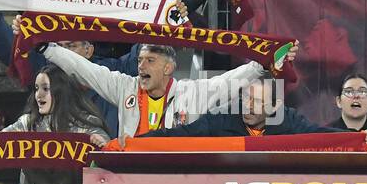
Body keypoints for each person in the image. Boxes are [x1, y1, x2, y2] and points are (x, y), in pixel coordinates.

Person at [42, 41, 274, 140]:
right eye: (140, 60)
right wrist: (47, 48)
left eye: (150, 61)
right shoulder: (125, 87)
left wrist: (265, 61)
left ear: (168, 68)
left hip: (174, 182)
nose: (141, 66)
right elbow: (85, 69)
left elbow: (230, 82)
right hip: (132, 178)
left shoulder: (191, 94)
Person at [0, 65, 107, 184]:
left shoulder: (84, 124)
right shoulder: (27, 124)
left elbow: (108, 148)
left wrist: (102, 143)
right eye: (36, 89)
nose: (38, 95)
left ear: (61, 92)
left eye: (45, 89)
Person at [140, 77, 335, 137]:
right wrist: (136, 142)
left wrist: (361, 137)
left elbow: (321, 136)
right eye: (246, 98)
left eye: (257, 101)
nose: (248, 107)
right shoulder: (222, 118)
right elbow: (180, 134)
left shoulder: (290, 121)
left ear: (275, 106)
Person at [326, 71, 367, 138]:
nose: (356, 96)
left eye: (362, 92)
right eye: (349, 92)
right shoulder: (323, 136)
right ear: (339, 101)